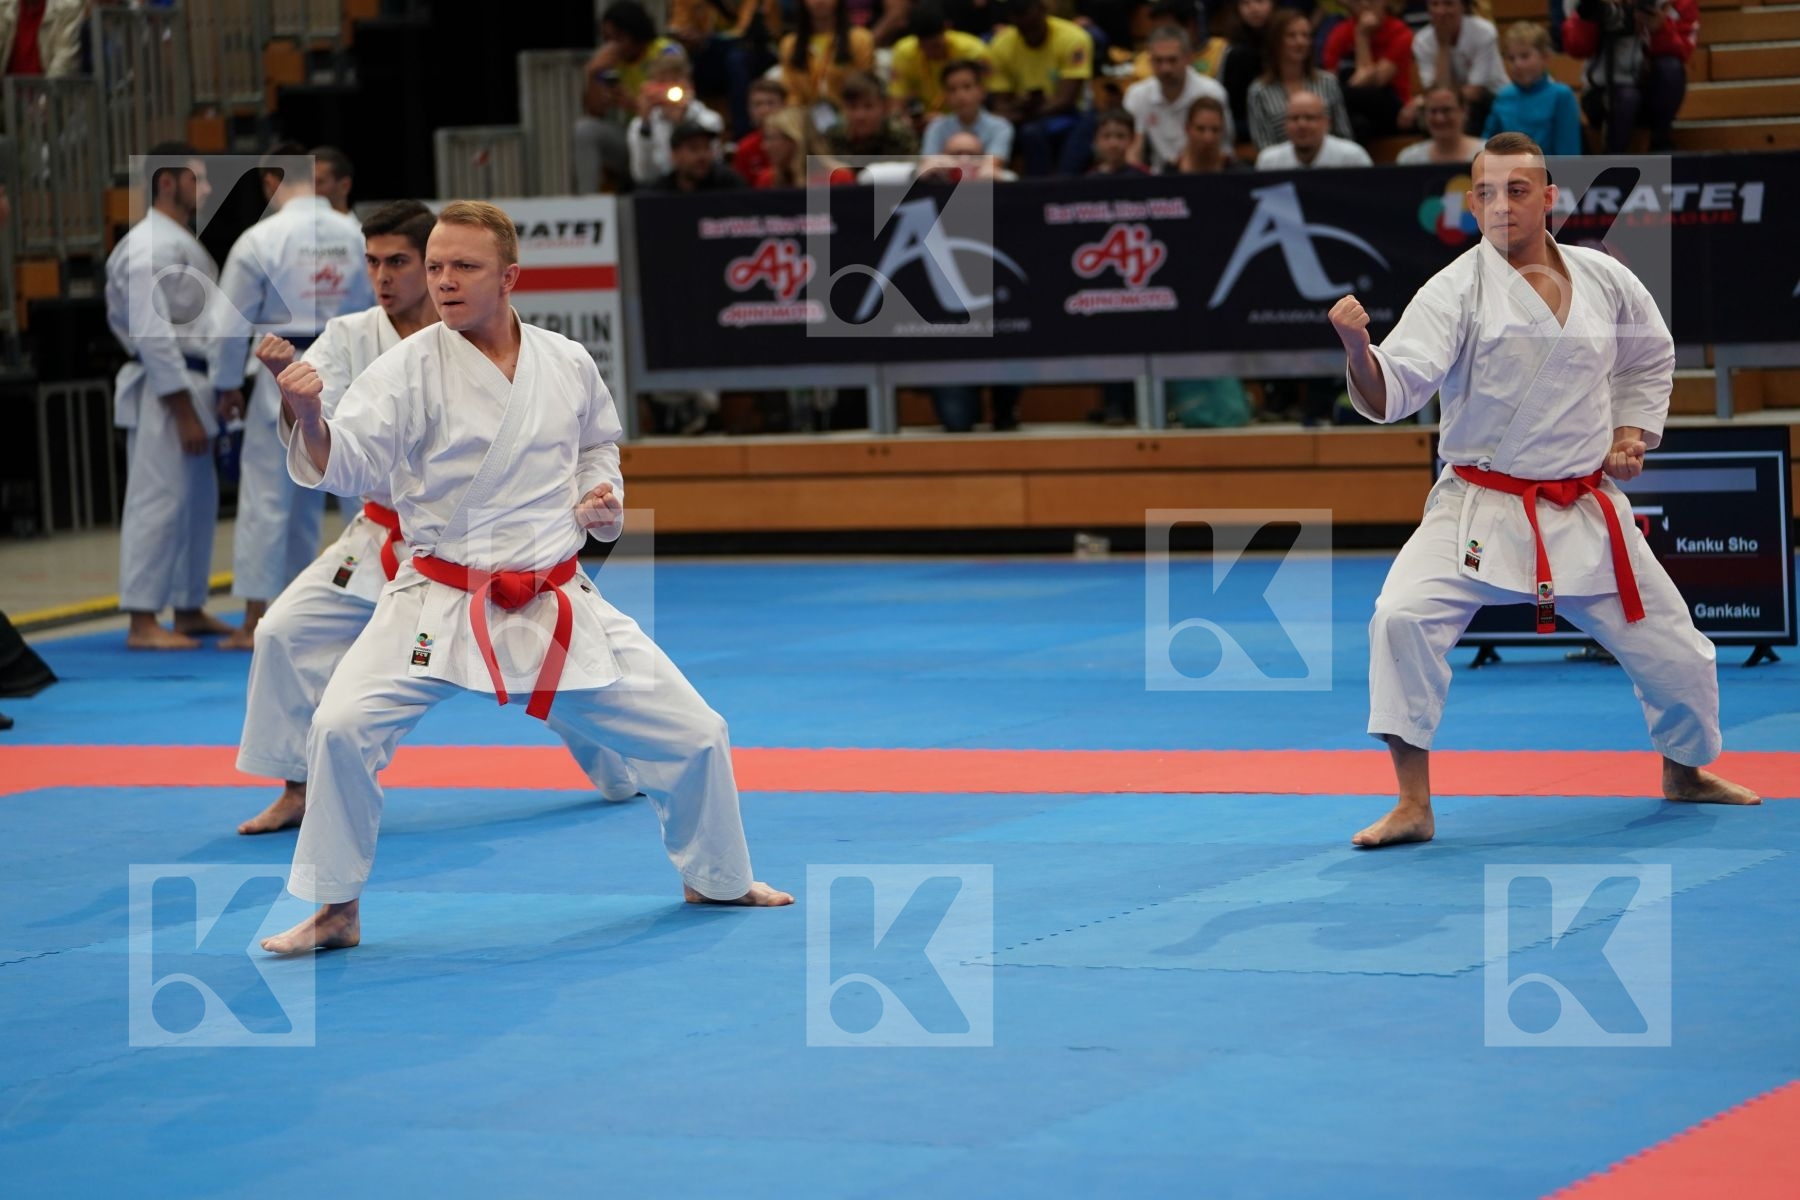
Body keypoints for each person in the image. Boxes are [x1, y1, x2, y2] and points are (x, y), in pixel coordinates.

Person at [259, 202, 793, 954]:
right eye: (436, 266)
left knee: (698, 733)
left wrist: (603, 500)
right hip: (439, 597)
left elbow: (598, 450)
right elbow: (348, 462)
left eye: (463, 267)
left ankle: (716, 876)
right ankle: (335, 909)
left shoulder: (566, 360)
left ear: (509, 277)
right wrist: (308, 414)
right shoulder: (407, 368)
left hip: (552, 596)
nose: (443, 281)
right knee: (340, 728)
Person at [1330, 132, 1760, 848]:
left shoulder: (1605, 277)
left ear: (1551, 197)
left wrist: (1630, 435)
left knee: (1679, 653)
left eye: (1518, 190)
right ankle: (1413, 803)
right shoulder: (1454, 289)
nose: (1502, 206)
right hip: (1478, 503)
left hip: (1585, 508)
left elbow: (1649, 360)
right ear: (1471, 204)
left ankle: (1684, 770)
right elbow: (1397, 385)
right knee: (1401, 618)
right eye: (1487, 193)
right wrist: (1357, 353)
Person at [211, 142, 375, 650]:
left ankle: (258, 617)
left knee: (269, 497)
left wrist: (224, 385)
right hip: (352, 363)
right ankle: (374, 609)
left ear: (269, 182)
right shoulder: (356, 234)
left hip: (283, 366)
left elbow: (228, 322)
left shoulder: (262, 237)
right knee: (360, 493)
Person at [104, 143, 241, 651]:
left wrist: (224, 385)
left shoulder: (177, 241)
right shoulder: (147, 247)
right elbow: (151, 333)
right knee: (158, 501)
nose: (204, 190)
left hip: (198, 379)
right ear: (167, 182)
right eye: (197, 179)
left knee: (196, 503)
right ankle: (142, 619)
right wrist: (182, 408)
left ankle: (187, 605)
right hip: (168, 391)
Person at [1562, 0, 1696, 154]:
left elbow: (1683, 51)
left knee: (1671, 68)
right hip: (1603, 91)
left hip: (1648, 91)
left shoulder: (1672, 4)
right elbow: (1577, 47)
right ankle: (1612, 161)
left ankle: (1660, 141)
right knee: (1627, 97)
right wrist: (1595, 16)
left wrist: (1660, 29)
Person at [576, 1, 680, 193]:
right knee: (585, 130)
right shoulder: (610, 62)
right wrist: (592, 73)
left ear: (635, 32)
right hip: (634, 138)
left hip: (670, 135)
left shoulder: (666, 51)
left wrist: (633, 103)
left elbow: (680, 99)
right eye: (607, 39)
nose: (612, 45)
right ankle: (588, 203)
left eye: (618, 38)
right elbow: (594, 111)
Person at [988, 0, 1094, 176]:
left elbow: (1066, 100)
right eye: (1022, 28)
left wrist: (1025, 111)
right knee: (1009, 129)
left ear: (1043, 10)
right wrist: (1020, 105)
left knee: (1034, 132)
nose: (1029, 31)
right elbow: (1000, 104)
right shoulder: (1001, 45)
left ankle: (1057, 186)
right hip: (1024, 114)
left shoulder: (1073, 38)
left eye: (1033, 26)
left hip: (1069, 113)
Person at [1124, 25, 1233, 171]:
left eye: (1172, 60)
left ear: (1188, 58)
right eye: (1158, 61)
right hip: (1159, 180)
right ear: (1149, 60)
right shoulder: (1137, 95)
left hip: (1206, 174)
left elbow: (1225, 145)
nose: (1165, 68)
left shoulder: (1211, 92)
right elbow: (1132, 151)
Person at [669, 0, 780, 138]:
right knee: (676, 57)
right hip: (705, 52)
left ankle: (741, 134)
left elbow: (744, 31)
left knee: (736, 61)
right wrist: (688, 34)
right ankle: (687, 131)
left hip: (749, 49)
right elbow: (679, 25)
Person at [1247, 8, 1354, 150]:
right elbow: (1263, 145)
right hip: (1280, 168)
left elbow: (1343, 135)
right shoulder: (1259, 91)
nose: (1300, 42)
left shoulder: (1328, 82)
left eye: (1305, 36)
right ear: (1276, 41)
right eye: (1292, 36)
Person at [1400, 0, 1505, 135]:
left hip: (1491, 98)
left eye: (1448, 4)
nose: (1441, 11)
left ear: (1463, 7)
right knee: (1424, 115)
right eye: (1435, 4)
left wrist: (1421, 100)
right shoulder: (1422, 41)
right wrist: (1443, 46)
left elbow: (1475, 92)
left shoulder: (1484, 32)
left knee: (1470, 110)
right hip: (1454, 99)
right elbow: (1436, 91)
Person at [626, 48, 726, 187]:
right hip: (660, 194)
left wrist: (680, 123)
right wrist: (646, 125)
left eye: (675, 80)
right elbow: (643, 176)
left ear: (689, 85)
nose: (669, 89)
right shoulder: (639, 126)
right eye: (662, 81)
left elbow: (713, 169)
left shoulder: (710, 120)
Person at [1482, 21, 1581, 157]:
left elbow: (1568, 155)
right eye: (1511, 58)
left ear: (1545, 58)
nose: (1517, 64)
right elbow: (1487, 148)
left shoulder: (1561, 95)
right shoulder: (1504, 96)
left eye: (1525, 56)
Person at [1321, 0, 1413, 141]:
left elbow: (1373, 81)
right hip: (1352, 112)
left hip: (1392, 108)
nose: (1365, 4)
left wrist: (1362, 36)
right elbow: (1328, 84)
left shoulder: (1401, 32)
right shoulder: (1339, 32)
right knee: (1358, 124)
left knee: (1365, 94)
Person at [888, 1, 992, 126]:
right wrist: (905, 121)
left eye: (936, 46)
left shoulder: (972, 50)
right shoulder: (904, 52)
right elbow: (896, 104)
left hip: (968, 119)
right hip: (927, 122)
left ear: (947, 28)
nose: (931, 53)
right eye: (924, 47)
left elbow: (987, 98)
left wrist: (946, 121)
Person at [779, 0, 877, 113]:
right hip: (805, 116)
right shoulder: (789, 44)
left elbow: (864, 86)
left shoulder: (860, 39)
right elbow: (791, 92)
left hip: (850, 114)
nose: (820, 2)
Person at [921, 58, 1015, 159]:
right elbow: (928, 164)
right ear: (945, 97)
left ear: (981, 90)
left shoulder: (1000, 127)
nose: (960, 96)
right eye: (952, 90)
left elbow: (994, 164)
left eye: (967, 87)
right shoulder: (936, 128)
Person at [1255, 89, 1373, 167]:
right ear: (1285, 124)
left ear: (1326, 123)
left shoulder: (1352, 157)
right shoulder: (1269, 161)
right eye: (1294, 118)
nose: (1302, 125)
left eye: (1310, 118)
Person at [828, 70, 921, 156]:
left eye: (868, 107)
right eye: (853, 107)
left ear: (884, 108)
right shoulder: (833, 138)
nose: (860, 115)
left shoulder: (900, 138)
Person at [1221, 0, 1274, 141]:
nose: (1254, 8)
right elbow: (1232, 108)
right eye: (1246, 3)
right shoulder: (1235, 53)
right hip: (1246, 130)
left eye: (1260, 1)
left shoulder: (1284, 44)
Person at [754, 105, 841, 187]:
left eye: (771, 139)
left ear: (794, 141)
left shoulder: (836, 178)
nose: (764, 146)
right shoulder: (767, 180)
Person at [1396, 84, 1485, 162]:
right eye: (1433, 111)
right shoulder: (1409, 159)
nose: (1440, 118)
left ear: (1464, 111)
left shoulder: (1485, 154)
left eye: (1446, 110)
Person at [648, 121, 747, 190]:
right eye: (693, 148)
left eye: (707, 148)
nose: (702, 155)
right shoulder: (660, 192)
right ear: (674, 155)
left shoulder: (729, 185)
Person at [1, 0, 83, 77]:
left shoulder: (69, 8)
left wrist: (46, 91)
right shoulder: (3, 7)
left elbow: (65, 64)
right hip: (8, 90)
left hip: (49, 89)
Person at [732, 78, 788, 184]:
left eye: (770, 103)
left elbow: (821, 199)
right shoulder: (744, 148)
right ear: (749, 110)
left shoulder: (802, 141)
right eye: (758, 104)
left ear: (784, 105)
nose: (764, 110)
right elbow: (741, 196)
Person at [1171, 94, 1243, 172]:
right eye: (1200, 129)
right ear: (1187, 129)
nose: (1208, 138)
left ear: (1222, 131)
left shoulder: (1239, 173)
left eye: (1215, 130)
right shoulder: (1168, 175)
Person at [311, 146, 355, 214]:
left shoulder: (357, 224)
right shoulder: (293, 221)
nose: (310, 190)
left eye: (319, 182)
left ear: (345, 186)